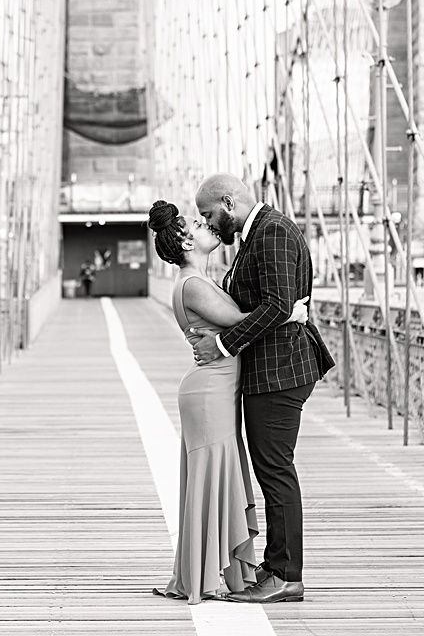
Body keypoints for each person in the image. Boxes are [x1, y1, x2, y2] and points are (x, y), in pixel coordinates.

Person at [146, 200, 309, 604]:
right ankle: (204, 576)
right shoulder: (194, 284)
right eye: (200, 224)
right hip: (209, 391)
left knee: (215, 479)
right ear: (186, 242)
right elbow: (240, 320)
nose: (209, 228)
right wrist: (290, 315)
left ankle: (208, 572)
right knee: (211, 479)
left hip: (216, 388)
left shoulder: (199, 280)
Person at [188, 174, 334, 604]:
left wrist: (220, 344)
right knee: (272, 470)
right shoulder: (257, 235)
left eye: (209, 213)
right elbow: (273, 306)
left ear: (229, 202)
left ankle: (287, 575)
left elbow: (276, 305)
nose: (209, 224)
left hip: (280, 372)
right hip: (270, 370)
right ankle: (276, 568)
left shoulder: (271, 233)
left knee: (275, 471)